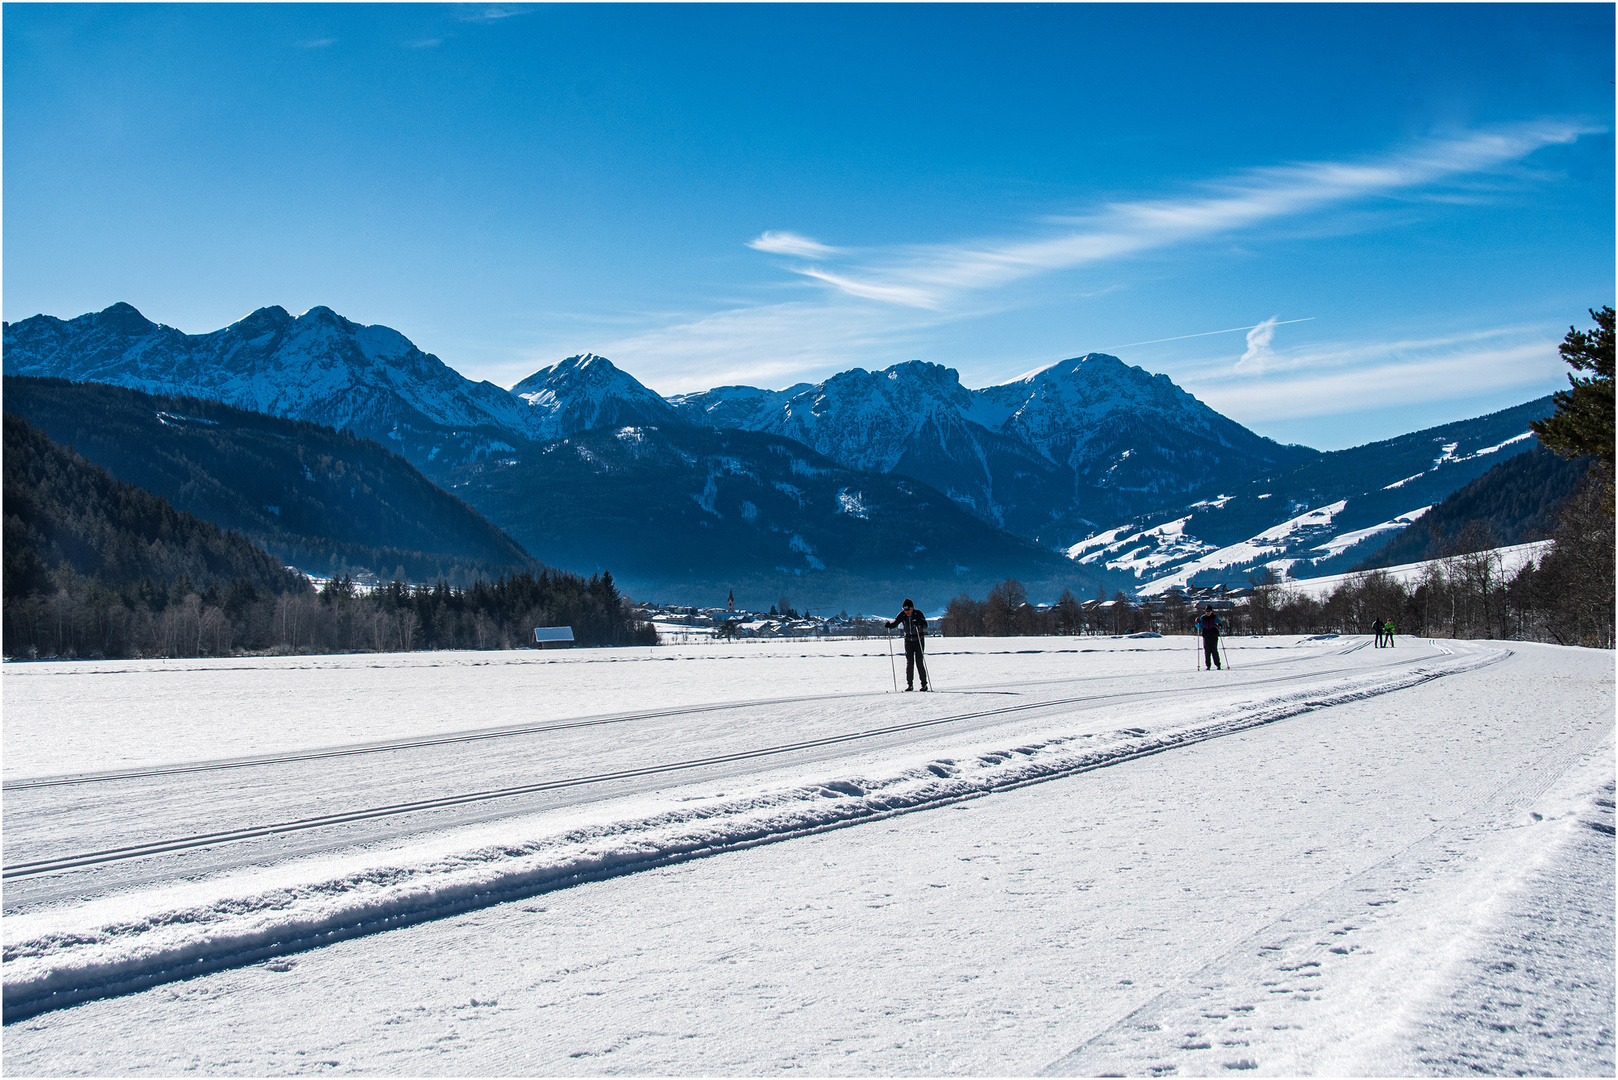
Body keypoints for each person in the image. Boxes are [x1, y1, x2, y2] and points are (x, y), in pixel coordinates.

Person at [886, 599, 930, 691]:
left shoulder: (918, 614)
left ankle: (924, 684)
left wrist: (919, 625)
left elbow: (925, 625)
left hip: (918, 639)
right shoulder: (901, 615)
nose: (907, 611)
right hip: (908, 640)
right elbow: (895, 623)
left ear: (912, 608)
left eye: (908, 609)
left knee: (919, 662)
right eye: (905, 609)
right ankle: (910, 685)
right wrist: (889, 625)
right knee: (909, 662)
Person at [1195, 604, 1224, 670]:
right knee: (1207, 651)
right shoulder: (1203, 618)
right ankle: (1208, 666)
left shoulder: (1215, 618)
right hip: (1206, 636)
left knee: (1214, 650)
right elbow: (1199, 627)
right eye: (1206, 611)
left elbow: (1221, 625)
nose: (1208, 613)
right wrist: (1197, 623)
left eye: (1209, 611)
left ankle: (1218, 665)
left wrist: (1219, 626)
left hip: (1213, 636)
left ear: (1211, 612)